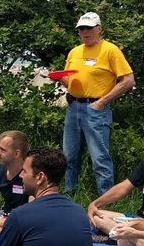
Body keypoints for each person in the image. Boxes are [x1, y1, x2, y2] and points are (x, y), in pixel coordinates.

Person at [55, 12, 135, 195]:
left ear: (99, 29)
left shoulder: (110, 50)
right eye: (81, 29)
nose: (85, 32)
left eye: (89, 28)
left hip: (96, 109)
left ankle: (105, 199)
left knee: (99, 158)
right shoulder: (75, 52)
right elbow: (70, 81)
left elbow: (128, 80)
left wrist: (102, 102)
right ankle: (69, 195)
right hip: (73, 106)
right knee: (68, 156)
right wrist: (59, 78)